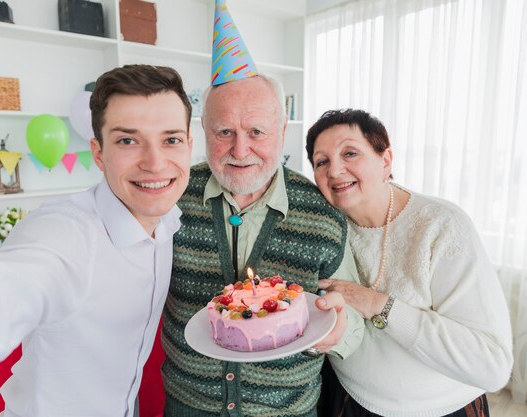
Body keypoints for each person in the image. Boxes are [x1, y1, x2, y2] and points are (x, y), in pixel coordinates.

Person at [0, 64, 193, 417]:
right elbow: (1, 293)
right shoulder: (65, 233)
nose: (155, 163)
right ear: (99, 153)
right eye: (128, 140)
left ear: (189, 146)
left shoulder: (169, 218)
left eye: (171, 139)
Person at [160, 74, 365, 417]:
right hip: (188, 405)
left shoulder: (323, 215)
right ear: (203, 132)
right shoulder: (170, 196)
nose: (240, 150)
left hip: (287, 411)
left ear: (283, 131)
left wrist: (337, 331)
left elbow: (353, 322)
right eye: (224, 132)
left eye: (256, 132)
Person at [307, 108, 513, 417]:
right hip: (349, 402)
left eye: (350, 153)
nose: (335, 170)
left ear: (386, 160)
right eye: (322, 161)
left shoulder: (442, 225)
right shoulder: (323, 225)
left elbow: (492, 364)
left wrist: (377, 304)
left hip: (442, 410)